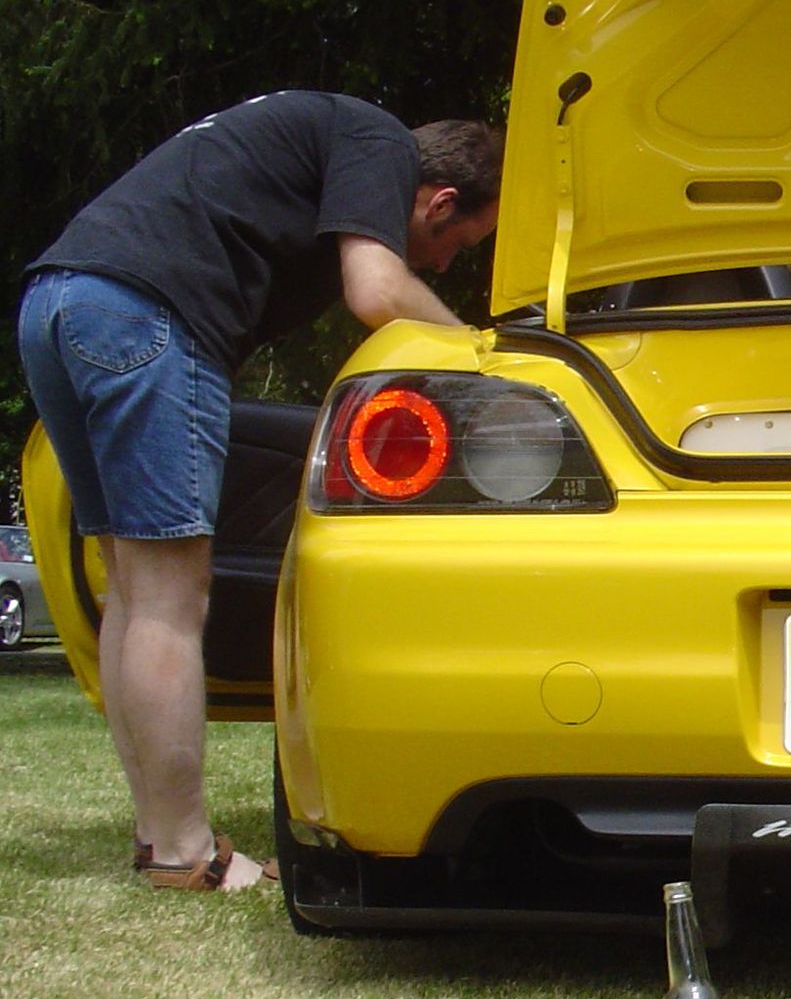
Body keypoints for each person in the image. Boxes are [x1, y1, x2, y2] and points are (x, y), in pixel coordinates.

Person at [16, 92, 504, 891]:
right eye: (457, 244)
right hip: (144, 313)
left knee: (133, 588)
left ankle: (158, 833)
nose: (445, 265)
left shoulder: (318, 140)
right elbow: (378, 291)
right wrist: (485, 357)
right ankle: (184, 852)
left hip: (58, 304)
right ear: (440, 200)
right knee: (171, 597)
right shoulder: (379, 140)